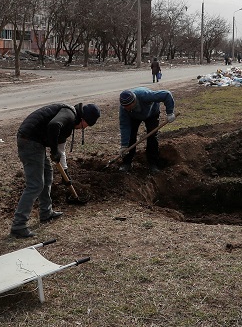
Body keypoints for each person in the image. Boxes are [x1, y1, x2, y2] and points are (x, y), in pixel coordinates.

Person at [10, 102, 100, 239]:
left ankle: (46, 212)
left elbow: (61, 151)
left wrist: (66, 175)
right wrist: (53, 150)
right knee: (35, 185)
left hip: (35, 142)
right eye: (85, 126)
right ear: (83, 119)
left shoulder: (68, 124)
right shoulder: (69, 115)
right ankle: (19, 225)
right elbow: (54, 125)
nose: (83, 128)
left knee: (47, 174)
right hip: (29, 140)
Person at [118, 87, 175, 174]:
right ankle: (126, 163)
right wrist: (124, 145)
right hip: (134, 117)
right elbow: (125, 126)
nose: (126, 109)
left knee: (152, 137)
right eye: (124, 107)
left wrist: (170, 112)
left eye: (128, 107)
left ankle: (153, 163)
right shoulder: (124, 109)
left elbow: (167, 94)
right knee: (131, 137)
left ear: (133, 102)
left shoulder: (145, 95)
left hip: (152, 113)